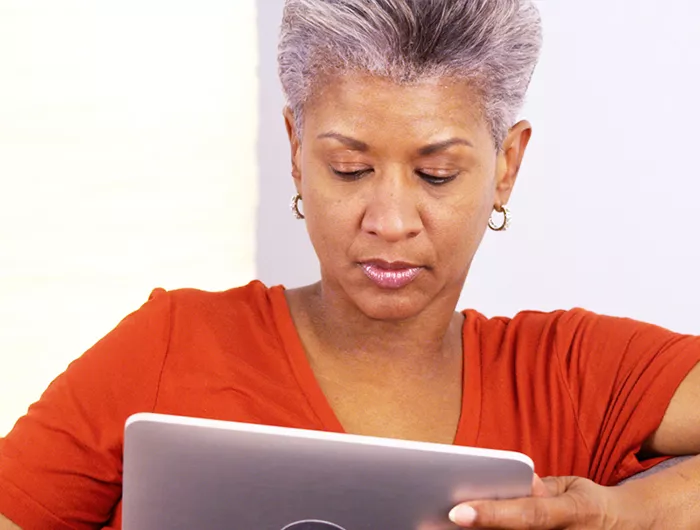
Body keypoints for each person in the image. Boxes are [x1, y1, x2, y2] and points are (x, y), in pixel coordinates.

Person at [1, 0, 699, 528]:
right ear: (295, 150)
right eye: (350, 167)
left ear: (506, 166)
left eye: (436, 175)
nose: (389, 221)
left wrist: (625, 513)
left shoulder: (573, 377)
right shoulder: (170, 346)